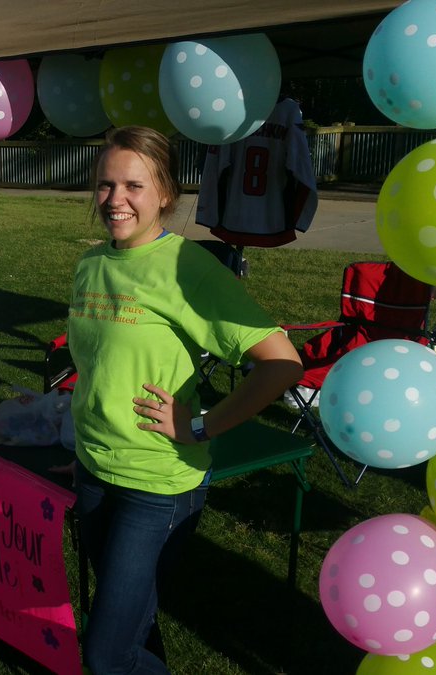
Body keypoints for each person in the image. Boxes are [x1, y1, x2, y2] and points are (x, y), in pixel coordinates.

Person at [69, 125, 303, 673]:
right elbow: (98, 367)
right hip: (93, 469)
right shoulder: (90, 265)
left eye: (133, 186)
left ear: (165, 194)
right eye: (106, 185)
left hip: (158, 484)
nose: (116, 200)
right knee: (135, 626)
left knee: (104, 656)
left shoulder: (186, 268)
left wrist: (200, 426)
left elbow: (282, 362)